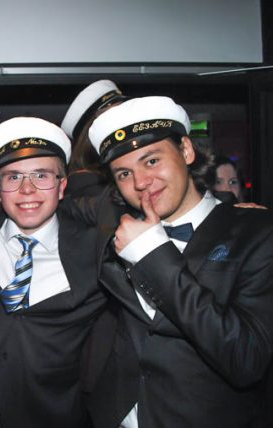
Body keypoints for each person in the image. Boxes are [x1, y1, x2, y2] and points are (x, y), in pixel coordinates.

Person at [81, 96, 273, 427]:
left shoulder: (256, 233)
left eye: (152, 160)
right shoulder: (115, 234)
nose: (140, 182)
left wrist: (153, 254)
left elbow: (245, 359)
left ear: (186, 150)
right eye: (124, 173)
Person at [0, 117, 106, 427]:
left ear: (62, 186)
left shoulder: (94, 249)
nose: (27, 190)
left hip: (58, 417)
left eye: (41, 175)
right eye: (13, 177)